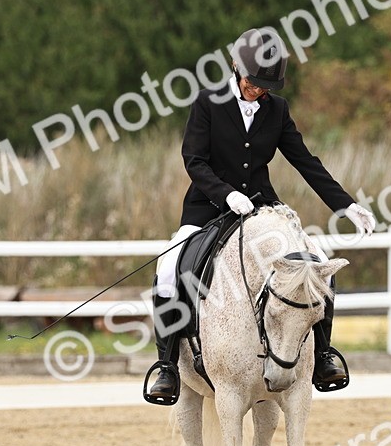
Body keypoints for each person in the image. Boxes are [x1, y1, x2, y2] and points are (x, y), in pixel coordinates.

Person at [145, 27, 376, 404]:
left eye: (265, 87)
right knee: (170, 266)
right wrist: (225, 193)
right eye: (253, 83)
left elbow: (305, 161)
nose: (258, 91)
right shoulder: (207, 102)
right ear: (236, 67)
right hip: (208, 206)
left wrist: (345, 205)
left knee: (315, 267)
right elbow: (194, 160)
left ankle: (323, 355)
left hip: (264, 208)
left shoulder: (277, 109)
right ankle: (167, 366)